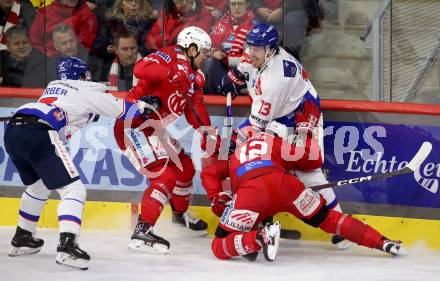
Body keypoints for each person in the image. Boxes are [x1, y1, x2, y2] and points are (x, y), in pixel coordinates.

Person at [5, 56, 159, 269]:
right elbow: (122, 109)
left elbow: (83, 111)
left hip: (14, 131)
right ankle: (67, 246)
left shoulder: (53, 87)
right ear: (81, 76)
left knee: (37, 185)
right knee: (74, 190)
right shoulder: (84, 89)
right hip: (39, 132)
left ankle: (23, 236)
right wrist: (144, 105)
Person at [201, 113, 406, 262]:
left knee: (218, 246)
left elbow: (209, 171)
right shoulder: (274, 141)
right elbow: (312, 160)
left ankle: (259, 237)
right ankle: (381, 241)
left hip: (251, 195)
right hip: (285, 186)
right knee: (329, 219)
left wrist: (216, 197)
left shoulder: (233, 152)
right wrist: (306, 134)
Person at [218, 22, 350, 248]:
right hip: (279, 114)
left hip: (301, 118)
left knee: (308, 172)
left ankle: (340, 228)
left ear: (270, 50)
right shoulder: (262, 53)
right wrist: (233, 74)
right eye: (250, 46)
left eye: (256, 48)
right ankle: (264, 220)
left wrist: (232, 142)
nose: (250, 52)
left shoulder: (276, 80)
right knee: (262, 166)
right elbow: (245, 64)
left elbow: (256, 125)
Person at [113, 26, 217, 253]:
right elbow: (141, 68)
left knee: (186, 168)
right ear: (191, 49)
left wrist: (207, 131)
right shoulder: (169, 55)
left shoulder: (196, 76)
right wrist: (170, 72)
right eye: (204, 53)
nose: (206, 58)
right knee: (165, 175)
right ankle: (142, 231)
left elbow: (195, 107)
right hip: (133, 124)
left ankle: (179, 217)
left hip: (154, 128)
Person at [204, 0, 257, 94]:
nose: (236, 7)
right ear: (229, 5)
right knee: (210, 62)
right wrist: (214, 53)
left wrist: (226, 59)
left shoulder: (255, 27)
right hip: (220, 68)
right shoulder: (220, 22)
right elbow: (207, 49)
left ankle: (222, 92)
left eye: (240, 4)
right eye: (233, 4)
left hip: (242, 70)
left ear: (247, 4)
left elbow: (253, 59)